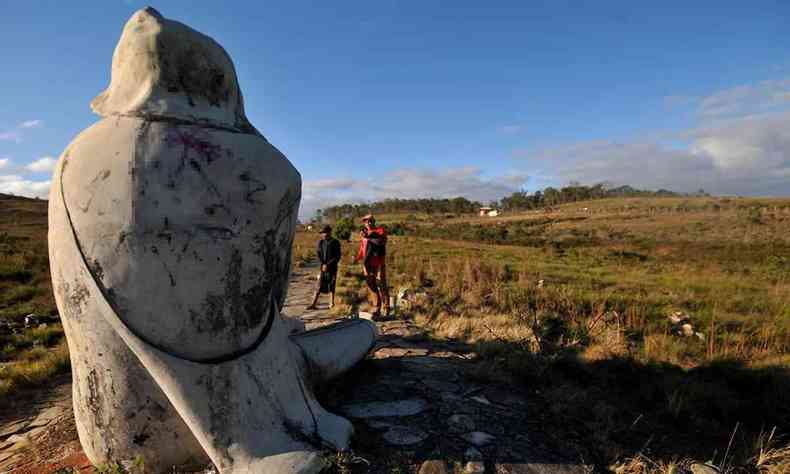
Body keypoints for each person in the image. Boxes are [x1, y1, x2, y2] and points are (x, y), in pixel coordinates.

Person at [354, 214, 389, 317]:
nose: (369, 223)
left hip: (378, 263)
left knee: (381, 284)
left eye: (371, 221)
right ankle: (377, 307)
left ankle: (386, 307)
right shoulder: (364, 234)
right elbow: (362, 248)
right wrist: (357, 258)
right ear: (364, 223)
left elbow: (379, 240)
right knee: (371, 285)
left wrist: (367, 236)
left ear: (374, 222)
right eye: (366, 221)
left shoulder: (380, 231)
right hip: (367, 263)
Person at [307, 225, 341, 310]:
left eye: (326, 232)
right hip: (322, 268)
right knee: (319, 285)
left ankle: (331, 304)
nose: (324, 234)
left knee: (332, 285)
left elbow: (337, 256)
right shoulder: (321, 242)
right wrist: (322, 264)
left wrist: (328, 265)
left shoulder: (335, 242)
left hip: (332, 267)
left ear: (330, 232)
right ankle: (313, 304)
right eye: (323, 233)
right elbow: (318, 254)